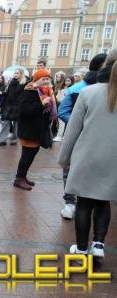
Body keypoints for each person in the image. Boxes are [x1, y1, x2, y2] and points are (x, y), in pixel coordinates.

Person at [58, 53, 117, 260]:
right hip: (113, 159)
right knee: (103, 203)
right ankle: (99, 244)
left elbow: (72, 130)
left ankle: (82, 248)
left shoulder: (88, 92)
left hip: (87, 156)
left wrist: (63, 158)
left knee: (84, 203)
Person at [58, 53, 107, 219]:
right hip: (78, 136)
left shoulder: (110, 90)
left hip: (101, 140)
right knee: (70, 168)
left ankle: (84, 201)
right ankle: (69, 202)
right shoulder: (77, 89)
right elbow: (63, 111)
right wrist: (80, 124)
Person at [14, 69, 56, 190]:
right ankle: (19, 178)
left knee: (31, 155)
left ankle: (23, 176)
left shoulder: (46, 92)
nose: (46, 81)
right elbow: (24, 111)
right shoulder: (29, 91)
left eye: (48, 79)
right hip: (29, 130)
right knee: (27, 156)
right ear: (36, 80)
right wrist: (42, 104)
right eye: (43, 79)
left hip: (38, 130)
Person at [0, 68, 28, 146]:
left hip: (18, 106)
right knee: (5, 123)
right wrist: (1, 93)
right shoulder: (11, 82)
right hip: (8, 105)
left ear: (21, 74)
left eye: (17, 73)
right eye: (15, 73)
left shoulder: (24, 83)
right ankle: (2, 140)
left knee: (16, 124)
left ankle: (15, 139)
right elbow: (7, 93)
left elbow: (24, 95)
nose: (15, 74)